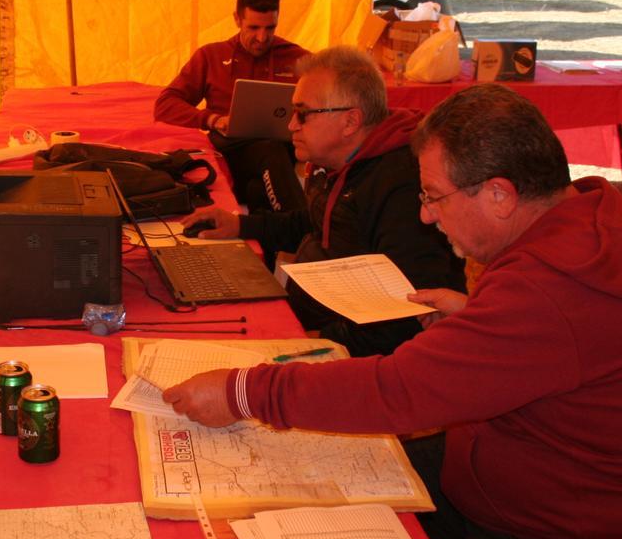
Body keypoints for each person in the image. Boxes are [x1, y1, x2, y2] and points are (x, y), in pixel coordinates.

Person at [163, 84, 622, 539]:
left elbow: (398, 391)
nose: (424, 214)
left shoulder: (546, 291)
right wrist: (481, 322)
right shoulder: (581, 222)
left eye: (434, 196)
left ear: (499, 194)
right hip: (531, 484)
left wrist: (244, 393)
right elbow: (570, 343)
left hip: (571, 533)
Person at [180, 46, 463, 356]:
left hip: (363, 355)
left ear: (350, 121)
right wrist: (240, 224)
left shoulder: (403, 186)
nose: (291, 126)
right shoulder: (341, 162)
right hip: (325, 321)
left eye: (303, 114)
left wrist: (317, 339)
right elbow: (316, 220)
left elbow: (409, 310)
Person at [154, 0, 309, 214]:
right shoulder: (211, 56)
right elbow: (165, 104)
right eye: (253, 27)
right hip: (232, 152)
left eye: (270, 28)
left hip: (279, 155)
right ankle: (304, 228)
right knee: (270, 151)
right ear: (237, 19)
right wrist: (213, 120)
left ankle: (275, 242)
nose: (262, 37)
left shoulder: (299, 59)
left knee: (259, 187)